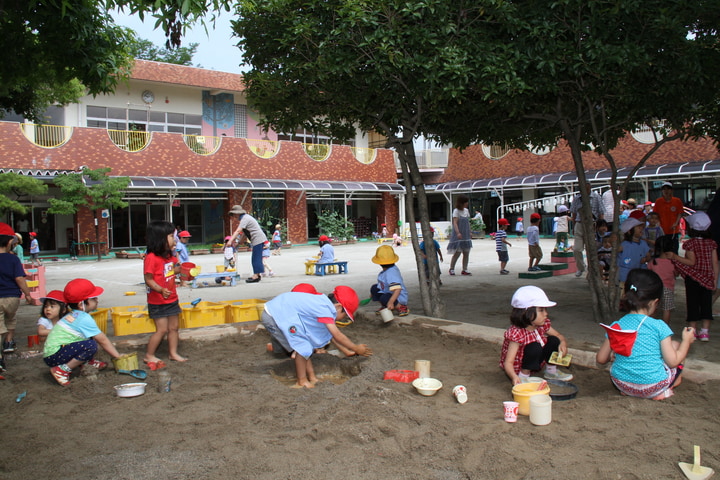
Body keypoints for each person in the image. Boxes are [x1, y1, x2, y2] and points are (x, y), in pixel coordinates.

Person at [596, 269, 695, 400]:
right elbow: (672, 362)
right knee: (677, 346)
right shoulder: (659, 326)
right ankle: (665, 389)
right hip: (652, 386)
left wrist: (612, 355)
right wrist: (686, 341)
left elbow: (601, 359)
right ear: (654, 302)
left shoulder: (617, 325)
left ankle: (632, 390)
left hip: (621, 384)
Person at [261, 286, 372, 388]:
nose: (342, 318)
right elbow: (337, 335)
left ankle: (311, 377)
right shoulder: (326, 309)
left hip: (279, 312)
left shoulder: (322, 303)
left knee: (305, 347)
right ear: (338, 307)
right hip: (275, 315)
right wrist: (355, 348)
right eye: (345, 315)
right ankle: (302, 381)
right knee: (302, 348)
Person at [43, 278, 122, 386]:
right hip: (55, 356)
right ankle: (62, 369)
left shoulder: (74, 314)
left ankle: (87, 362)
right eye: (93, 298)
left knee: (88, 337)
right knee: (90, 345)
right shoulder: (83, 319)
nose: (97, 299)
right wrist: (117, 357)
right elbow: (102, 340)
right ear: (81, 304)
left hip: (53, 353)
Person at [499, 286, 572, 384]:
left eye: (545, 310)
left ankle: (551, 371)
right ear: (526, 312)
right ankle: (524, 376)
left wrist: (562, 343)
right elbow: (508, 362)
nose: (546, 314)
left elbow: (558, 335)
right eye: (541, 310)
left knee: (554, 340)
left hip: (535, 360)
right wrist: (514, 377)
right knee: (534, 346)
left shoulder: (541, 325)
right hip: (520, 365)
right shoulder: (517, 333)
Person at [668, 212, 718, 342]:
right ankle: (705, 332)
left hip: (693, 279)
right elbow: (715, 263)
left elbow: (691, 262)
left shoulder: (690, 244)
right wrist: (715, 280)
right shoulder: (712, 244)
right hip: (708, 279)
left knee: (693, 304)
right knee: (706, 305)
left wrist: (675, 257)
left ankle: (693, 330)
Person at [143, 221, 186, 369]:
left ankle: (172, 353)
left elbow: (172, 271)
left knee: (174, 328)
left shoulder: (169, 257)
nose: (175, 240)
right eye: (171, 236)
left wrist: (186, 270)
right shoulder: (151, 258)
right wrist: (160, 289)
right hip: (157, 301)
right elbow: (148, 279)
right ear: (160, 238)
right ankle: (149, 355)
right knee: (161, 330)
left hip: (172, 299)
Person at [0, 223, 34, 365]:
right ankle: (8, 342)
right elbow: (19, 278)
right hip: (12, 297)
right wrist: (27, 294)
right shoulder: (13, 259)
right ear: (9, 242)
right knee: (11, 319)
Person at [226, 205, 268, 283]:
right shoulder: (245, 218)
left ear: (237, 213)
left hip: (258, 239)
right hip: (257, 239)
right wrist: (238, 243)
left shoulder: (245, 218)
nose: (234, 217)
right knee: (256, 257)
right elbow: (244, 233)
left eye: (234, 215)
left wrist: (230, 241)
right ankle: (257, 274)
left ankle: (256, 276)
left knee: (256, 258)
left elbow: (238, 231)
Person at [569, 184, 605, 277]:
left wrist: (601, 226)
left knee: (590, 249)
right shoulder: (577, 198)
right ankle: (580, 267)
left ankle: (591, 269)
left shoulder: (596, 197)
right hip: (579, 224)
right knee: (577, 249)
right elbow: (573, 213)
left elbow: (601, 212)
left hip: (591, 224)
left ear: (589, 187)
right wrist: (573, 226)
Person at [370, 245, 409, 316]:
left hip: (398, 297)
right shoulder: (387, 271)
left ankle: (401, 307)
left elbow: (397, 289)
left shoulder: (391, 273)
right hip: (389, 292)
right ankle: (385, 305)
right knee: (374, 288)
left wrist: (391, 301)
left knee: (384, 298)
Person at [648, 236, 677, 324]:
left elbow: (649, 274)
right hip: (668, 288)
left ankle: (650, 326)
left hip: (654, 288)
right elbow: (676, 273)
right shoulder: (673, 262)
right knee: (666, 310)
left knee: (653, 309)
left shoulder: (653, 262)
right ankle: (665, 328)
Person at [617, 217, 652, 288]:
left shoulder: (643, 243)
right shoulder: (624, 245)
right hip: (625, 275)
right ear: (630, 231)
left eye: (641, 227)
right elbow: (615, 251)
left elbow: (648, 256)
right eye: (638, 227)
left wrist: (645, 259)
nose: (641, 229)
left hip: (640, 273)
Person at [652, 181, 684, 254]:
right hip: (662, 230)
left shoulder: (677, 201)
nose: (666, 191)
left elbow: (680, 213)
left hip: (673, 230)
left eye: (668, 189)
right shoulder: (658, 201)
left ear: (671, 190)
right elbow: (655, 214)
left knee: (674, 250)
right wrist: (657, 223)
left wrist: (676, 223)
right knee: (662, 250)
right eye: (664, 189)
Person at [447, 195, 473, 276]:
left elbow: (468, 222)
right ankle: (451, 268)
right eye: (465, 202)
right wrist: (458, 232)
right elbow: (455, 222)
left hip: (466, 234)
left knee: (466, 253)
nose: (467, 203)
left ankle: (465, 269)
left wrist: (470, 231)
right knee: (457, 252)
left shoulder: (466, 211)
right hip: (459, 234)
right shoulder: (456, 211)